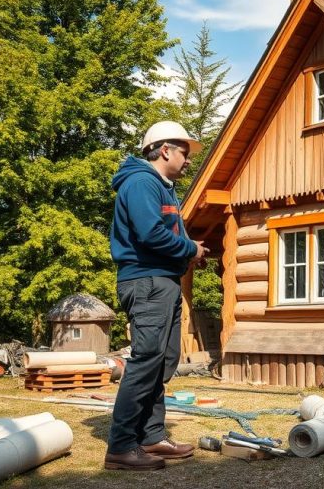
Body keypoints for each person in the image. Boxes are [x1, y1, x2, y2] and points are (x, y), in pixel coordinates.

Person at [104, 121, 208, 471]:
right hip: (146, 281)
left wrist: (189, 250)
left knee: (163, 360)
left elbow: (164, 234)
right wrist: (190, 247)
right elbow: (150, 234)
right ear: (165, 150)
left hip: (163, 280)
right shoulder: (141, 183)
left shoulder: (163, 188)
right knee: (147, 359)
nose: (189, 160)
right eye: (184, 152)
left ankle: (151, 436)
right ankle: (121, 446)